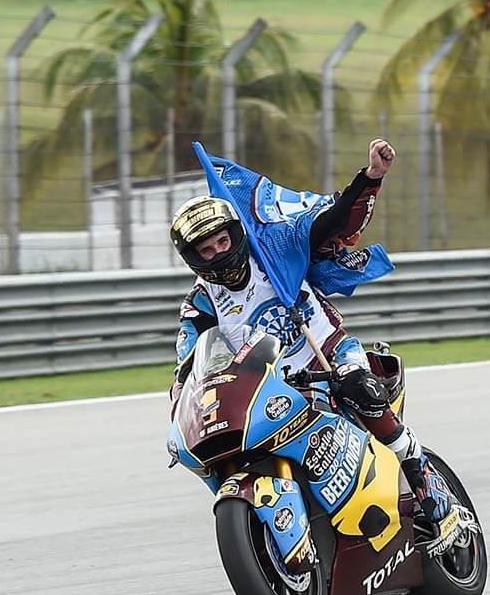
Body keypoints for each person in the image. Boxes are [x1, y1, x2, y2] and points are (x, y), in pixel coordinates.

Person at [169, 138, 468, 551]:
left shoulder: (273, 249)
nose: (218, 252)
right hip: (270, 389)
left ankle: (425, 482)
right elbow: (187, 363)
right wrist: (181, 404)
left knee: (357, 385)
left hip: (326, 355)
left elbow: (329, 222)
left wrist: (371, 178)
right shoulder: (201, 302)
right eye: (206, 249)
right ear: (193, 259)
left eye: (222, 240)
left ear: (236, 233)